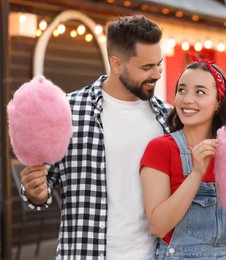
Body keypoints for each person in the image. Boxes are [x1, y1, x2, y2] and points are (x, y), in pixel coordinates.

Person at [19, 15, 171, 259]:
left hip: (154, 254)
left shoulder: (169, 118)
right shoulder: (67, 111)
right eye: (146, 67)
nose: (157, 74)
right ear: (117, 63)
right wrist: (35, 192)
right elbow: (42, 188)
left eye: (159, 64)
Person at [140, 55, 226, 259]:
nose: (187, 99)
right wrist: (196, 174)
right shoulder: (161, 149)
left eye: (200, 92)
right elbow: (158, 227)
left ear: (217, 103)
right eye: (182, 90)